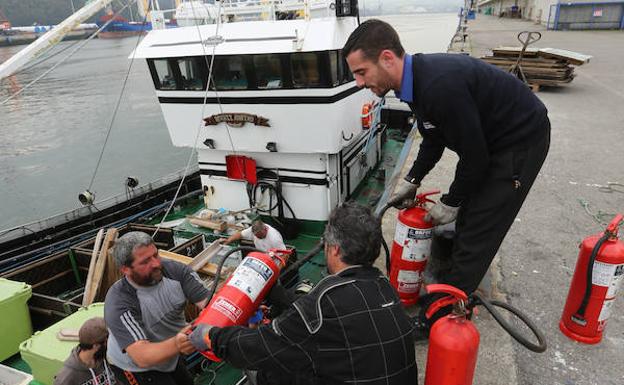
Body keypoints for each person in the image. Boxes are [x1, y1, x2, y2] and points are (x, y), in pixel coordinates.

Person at [343, 20, 550, 331]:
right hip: (492, 139)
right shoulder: (412, 82)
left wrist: (451, 201)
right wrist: (413, 180)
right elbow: (434, 136)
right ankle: (455, 281)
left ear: (387, 58)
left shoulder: (439, 87)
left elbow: (475, 157)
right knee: (468, 218)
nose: (359, 82)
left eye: (361, 72)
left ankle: (441, 315)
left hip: (519, 142)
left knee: (480, 225)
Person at [189, 202, 417, 385]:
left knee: (269, 371)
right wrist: (278, 295)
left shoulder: (323, 302)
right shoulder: (384, 287)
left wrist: (212, 336)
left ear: (335, 249)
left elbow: (261, 346)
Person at [104, 231, 210, 385]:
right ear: (125, 270)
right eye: (145, 261)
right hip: (136, 367)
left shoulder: (176, 271)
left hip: (170, 352)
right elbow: (141, 356)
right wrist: (177, 344)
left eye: (156, 255)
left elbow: (209, 302)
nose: (156, 263)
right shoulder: (120, 301)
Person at [53, 317, 116, 385]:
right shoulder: (66, 378)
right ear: (96, 346)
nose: (112, 344)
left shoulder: (101, 357)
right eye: (109, 341)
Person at [220, 219, 286, 252]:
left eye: (260, 236)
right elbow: (240, 234)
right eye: (256, 236)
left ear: (265, 229)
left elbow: (284, 255)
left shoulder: (274, 238)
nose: (258, 237)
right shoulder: (253, 230)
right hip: (261, 256)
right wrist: (228, 240)